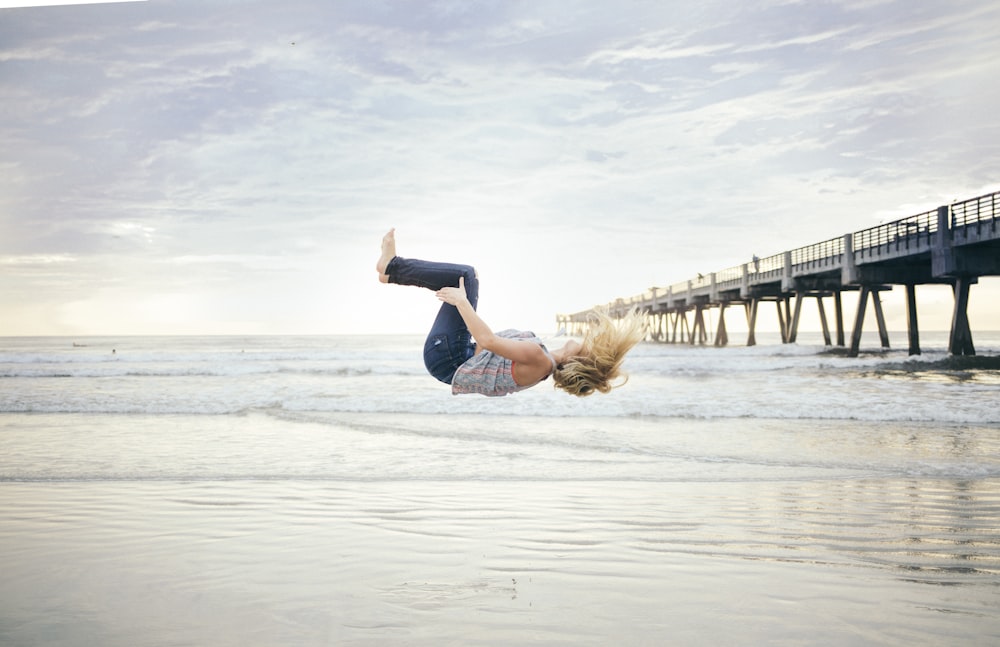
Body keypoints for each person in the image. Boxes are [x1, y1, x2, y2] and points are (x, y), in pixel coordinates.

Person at [376, 229, 646, 397]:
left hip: (449, 356)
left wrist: (462, 303)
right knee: (465, 279)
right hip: (449, 359)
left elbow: (489, 341)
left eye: (589, 346)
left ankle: (392, 266)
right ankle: (390, 273)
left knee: (466, 275)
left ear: (580, 360)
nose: (585, 340)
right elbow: (487, 352)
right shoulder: (540, 367)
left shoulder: (538, 358)